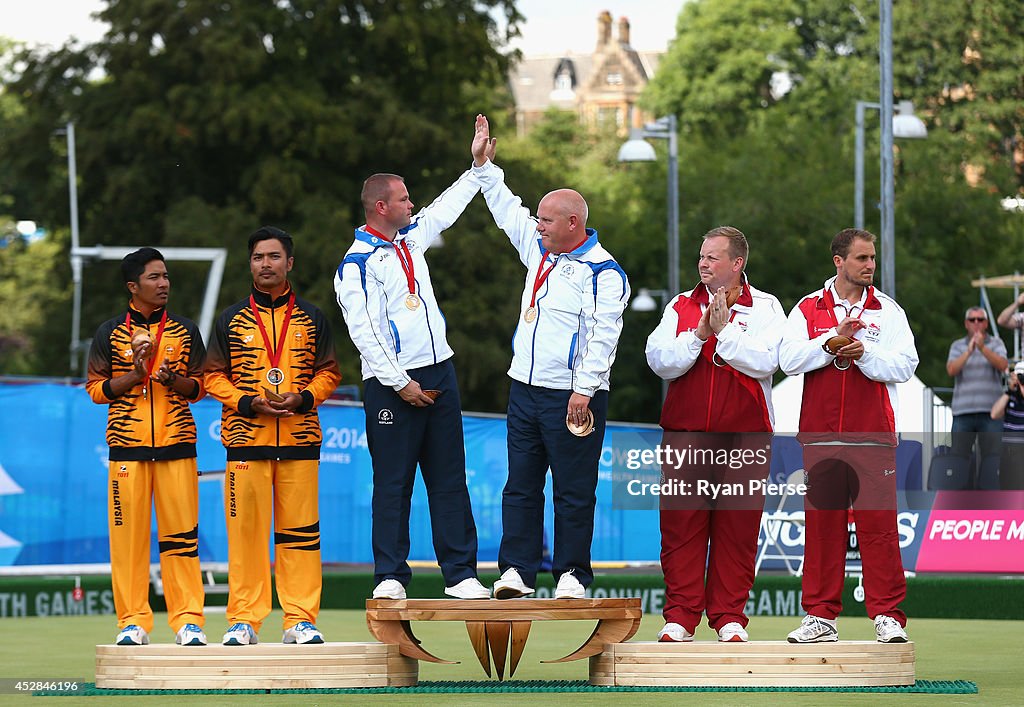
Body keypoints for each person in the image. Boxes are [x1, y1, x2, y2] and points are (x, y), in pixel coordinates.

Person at [333, 117, 494, 601]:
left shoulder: (411, 237)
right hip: (391, 384)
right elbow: (363, 331)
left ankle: (461, 574)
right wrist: (400, 382)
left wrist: (477, 167)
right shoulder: (355, 263)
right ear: (382, 206)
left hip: (439, 370)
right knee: (394, 481)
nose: (411, 204)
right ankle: (389, 575)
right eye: (404, 199)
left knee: (449, 478)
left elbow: (444, 210)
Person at [472, 115, 629, 600]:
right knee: (519, 483)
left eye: (546, 219)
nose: (537, 225)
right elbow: (507, 210)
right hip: (524, 387)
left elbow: (604, 335)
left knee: (573, 488)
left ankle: (572, 575)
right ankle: (517, 570)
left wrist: (584, 389)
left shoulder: (604, 272)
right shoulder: (540, 250)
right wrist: (483, 166)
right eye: (538, 219)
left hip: (573, 396)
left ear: (573, 224)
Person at [645, 226, 785, 642]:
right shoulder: (681, 304)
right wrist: (700, 334)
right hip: (686, 434)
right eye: (701, 256)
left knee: (738, 528)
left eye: (712, 257)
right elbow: (657, 359)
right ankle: (681, 617)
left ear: (737, 263)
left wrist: (724, 333)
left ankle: (729, 617)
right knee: (680, 527)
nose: (703, 264)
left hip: (746, 435)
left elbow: (767, 361)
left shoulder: (765, 306)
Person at [779, 228, 919, 644]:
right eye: (861, 258)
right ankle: (820, 618)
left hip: (873, 436)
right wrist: (831, 341)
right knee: (823, 527)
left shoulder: (887, 310)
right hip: (820, 437)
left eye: (872, 258)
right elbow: (787, 360)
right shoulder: (808, 307)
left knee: (879, 528)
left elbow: (906, 365)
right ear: (838, 261)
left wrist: (867, 354)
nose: (870, 265)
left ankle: (887, 615)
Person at [205, 227, 342, 645]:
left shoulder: (313, 317)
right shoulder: (230, 319)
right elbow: (211, 376)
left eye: (274, 257)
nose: (265, 264)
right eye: (258, 257)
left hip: (300, 441)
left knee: (301, 534)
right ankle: (243, 620)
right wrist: (247, 403)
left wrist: (303, 398)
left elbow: (330, 372)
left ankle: (299, 619)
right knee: (245, 534)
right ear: (250, 264)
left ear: (289, 263)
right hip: (246, 441)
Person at [86, 248, 207, 647]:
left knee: (182, 541)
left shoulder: (186, 330)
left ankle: (188, 621)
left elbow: (200, 387)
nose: (164, 284)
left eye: (166, 276)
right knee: (128, 543)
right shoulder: (108, 333)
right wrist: (134, 376)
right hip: (127, 455)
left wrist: (174, 380)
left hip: (177, 449)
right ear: (132, 286)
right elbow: (96, 390)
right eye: (154, 278)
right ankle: (133, 622)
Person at [946, 306, 1008, 486]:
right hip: (963, 412)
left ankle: (990, 500)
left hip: (991, 413)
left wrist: (982, 348)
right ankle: (959, 501)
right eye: (972, 320)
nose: (976, 323)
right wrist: (969, 351)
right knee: (959, 457)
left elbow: (1003, 365)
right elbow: (951, 370)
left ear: (986, 323)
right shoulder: (957, 345)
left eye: (980, 319)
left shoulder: (996, 343)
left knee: (993, 459)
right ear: (966, 324)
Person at [991, 360, 1024, 490]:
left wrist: (1021, 384)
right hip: (1009, 453)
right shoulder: (1010, 397)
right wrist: (1009, 391)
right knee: (1008, 490)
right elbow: (994, 414)